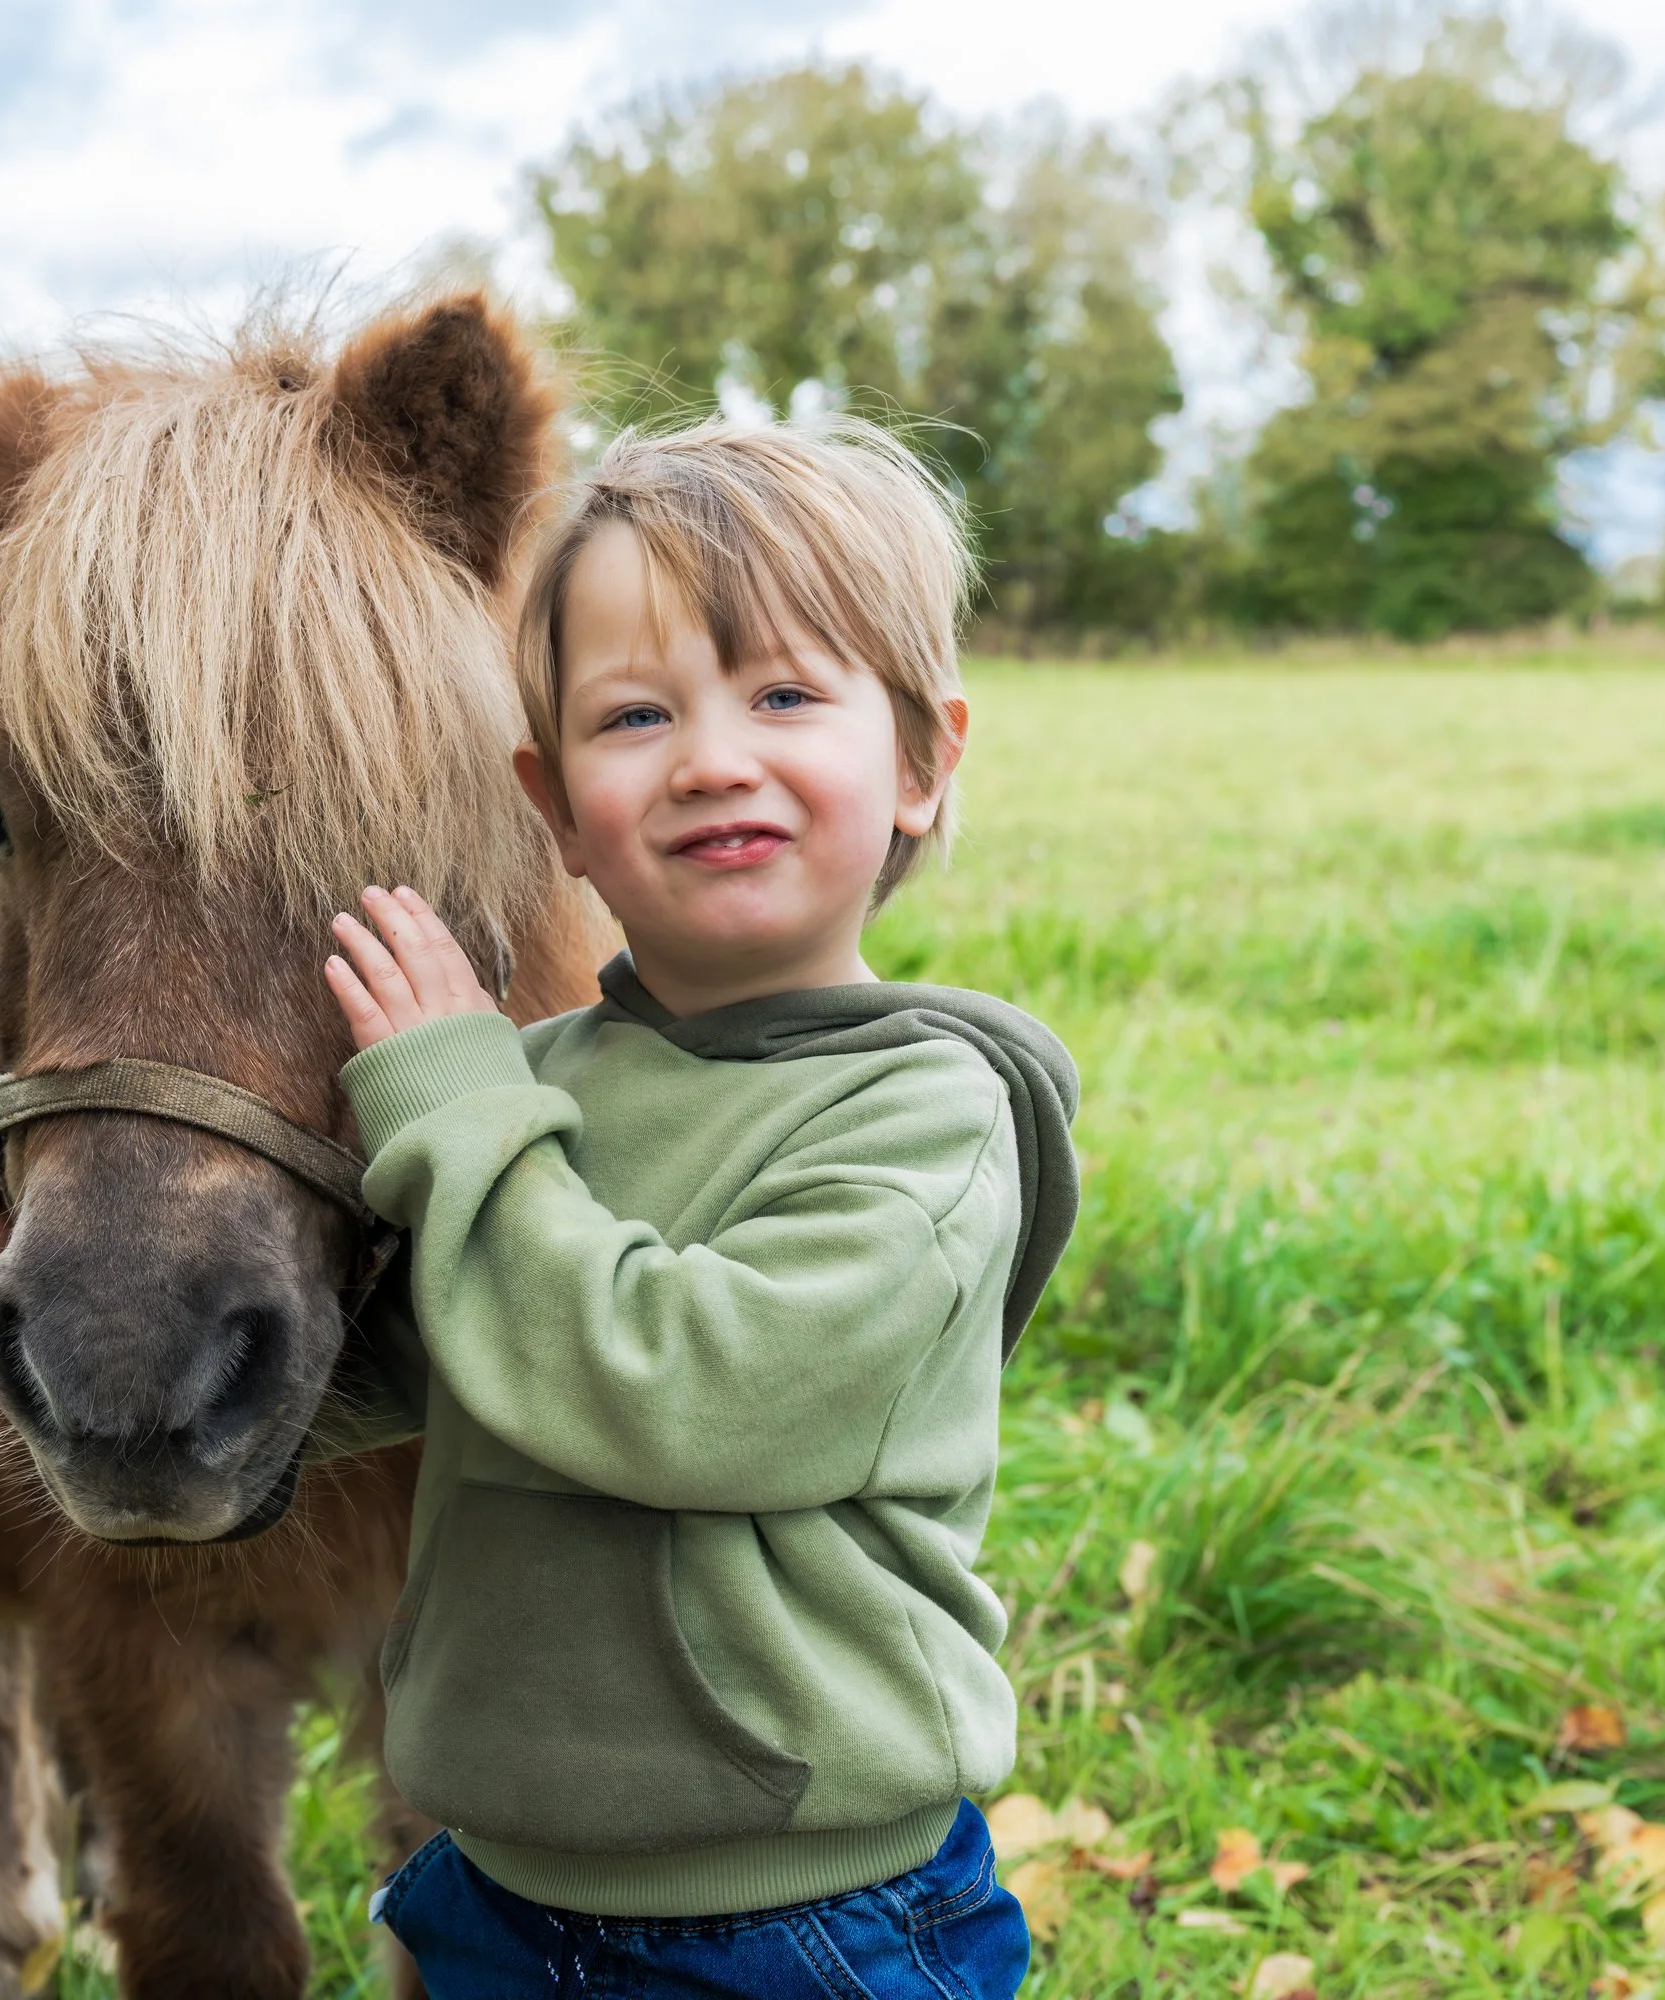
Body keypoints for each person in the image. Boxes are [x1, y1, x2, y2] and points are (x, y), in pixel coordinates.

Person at [303, 415, 1082, 1999]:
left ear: (925, 762)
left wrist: (458, 1122)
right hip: (496, 1889)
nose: (714, 756)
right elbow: (404, 1361)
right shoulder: (528, 1096)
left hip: (803, 1921)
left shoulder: (923, 1118)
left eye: (787, 695)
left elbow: (694, 1395)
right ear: (555, 801)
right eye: (638, 713)